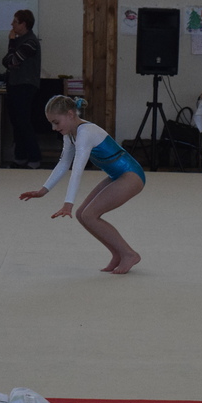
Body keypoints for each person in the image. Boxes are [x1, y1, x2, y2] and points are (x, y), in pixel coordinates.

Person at [19, 95, 144, 275]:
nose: (54, 128)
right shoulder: (70, 134)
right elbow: (64, 164)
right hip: (117, 175)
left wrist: (68, 203)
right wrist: (43, 190)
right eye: (51, 124)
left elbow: (77, 170)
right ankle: (118, 253)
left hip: (131, 175)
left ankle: (129, 254)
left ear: (70, 114)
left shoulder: (86, 133)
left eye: (56, 122)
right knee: (82, 215)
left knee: (90, 215)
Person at [2, 9, 42, 169]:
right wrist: (12, 53)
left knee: (23, 122)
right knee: (16, 122)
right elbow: (7, 61)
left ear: (23, 24)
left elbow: (12, 60)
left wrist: (11, 43)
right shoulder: (22, 41)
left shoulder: (30, 42)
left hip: (24, 86)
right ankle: (20, 157)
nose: (12, 24)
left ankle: (34, 158)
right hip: (15, 84)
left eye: (15, 21)